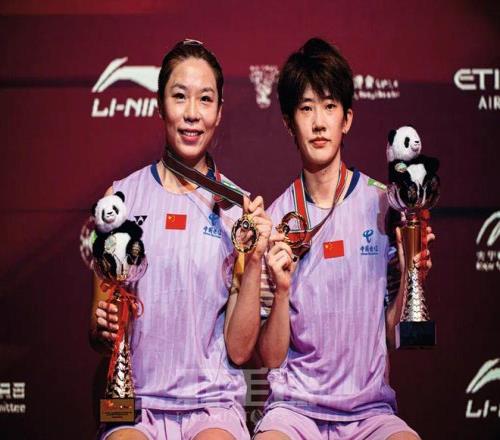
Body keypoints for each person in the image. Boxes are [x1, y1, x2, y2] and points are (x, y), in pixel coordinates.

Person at [252, 38, 435, 439]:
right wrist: (281, 291)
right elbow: (270, 357)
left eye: (330, 106)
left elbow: (393, 335)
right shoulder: (276, 220)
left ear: (347, 119)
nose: (319, 122)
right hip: (294, 412)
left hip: (370, 413)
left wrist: (411, 273)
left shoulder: (384, 205)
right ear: (289, 122)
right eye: (306, 108)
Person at [89, 39, 271, 440]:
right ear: (160, 105)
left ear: (219, 112)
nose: (192, 113)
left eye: (205, 99)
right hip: (137, 406)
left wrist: (255, 259)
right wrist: (104, 329)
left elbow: (240, 350)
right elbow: (97, 330)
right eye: (179, 96)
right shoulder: (119, 200)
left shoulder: (239, 210)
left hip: (212, 407)